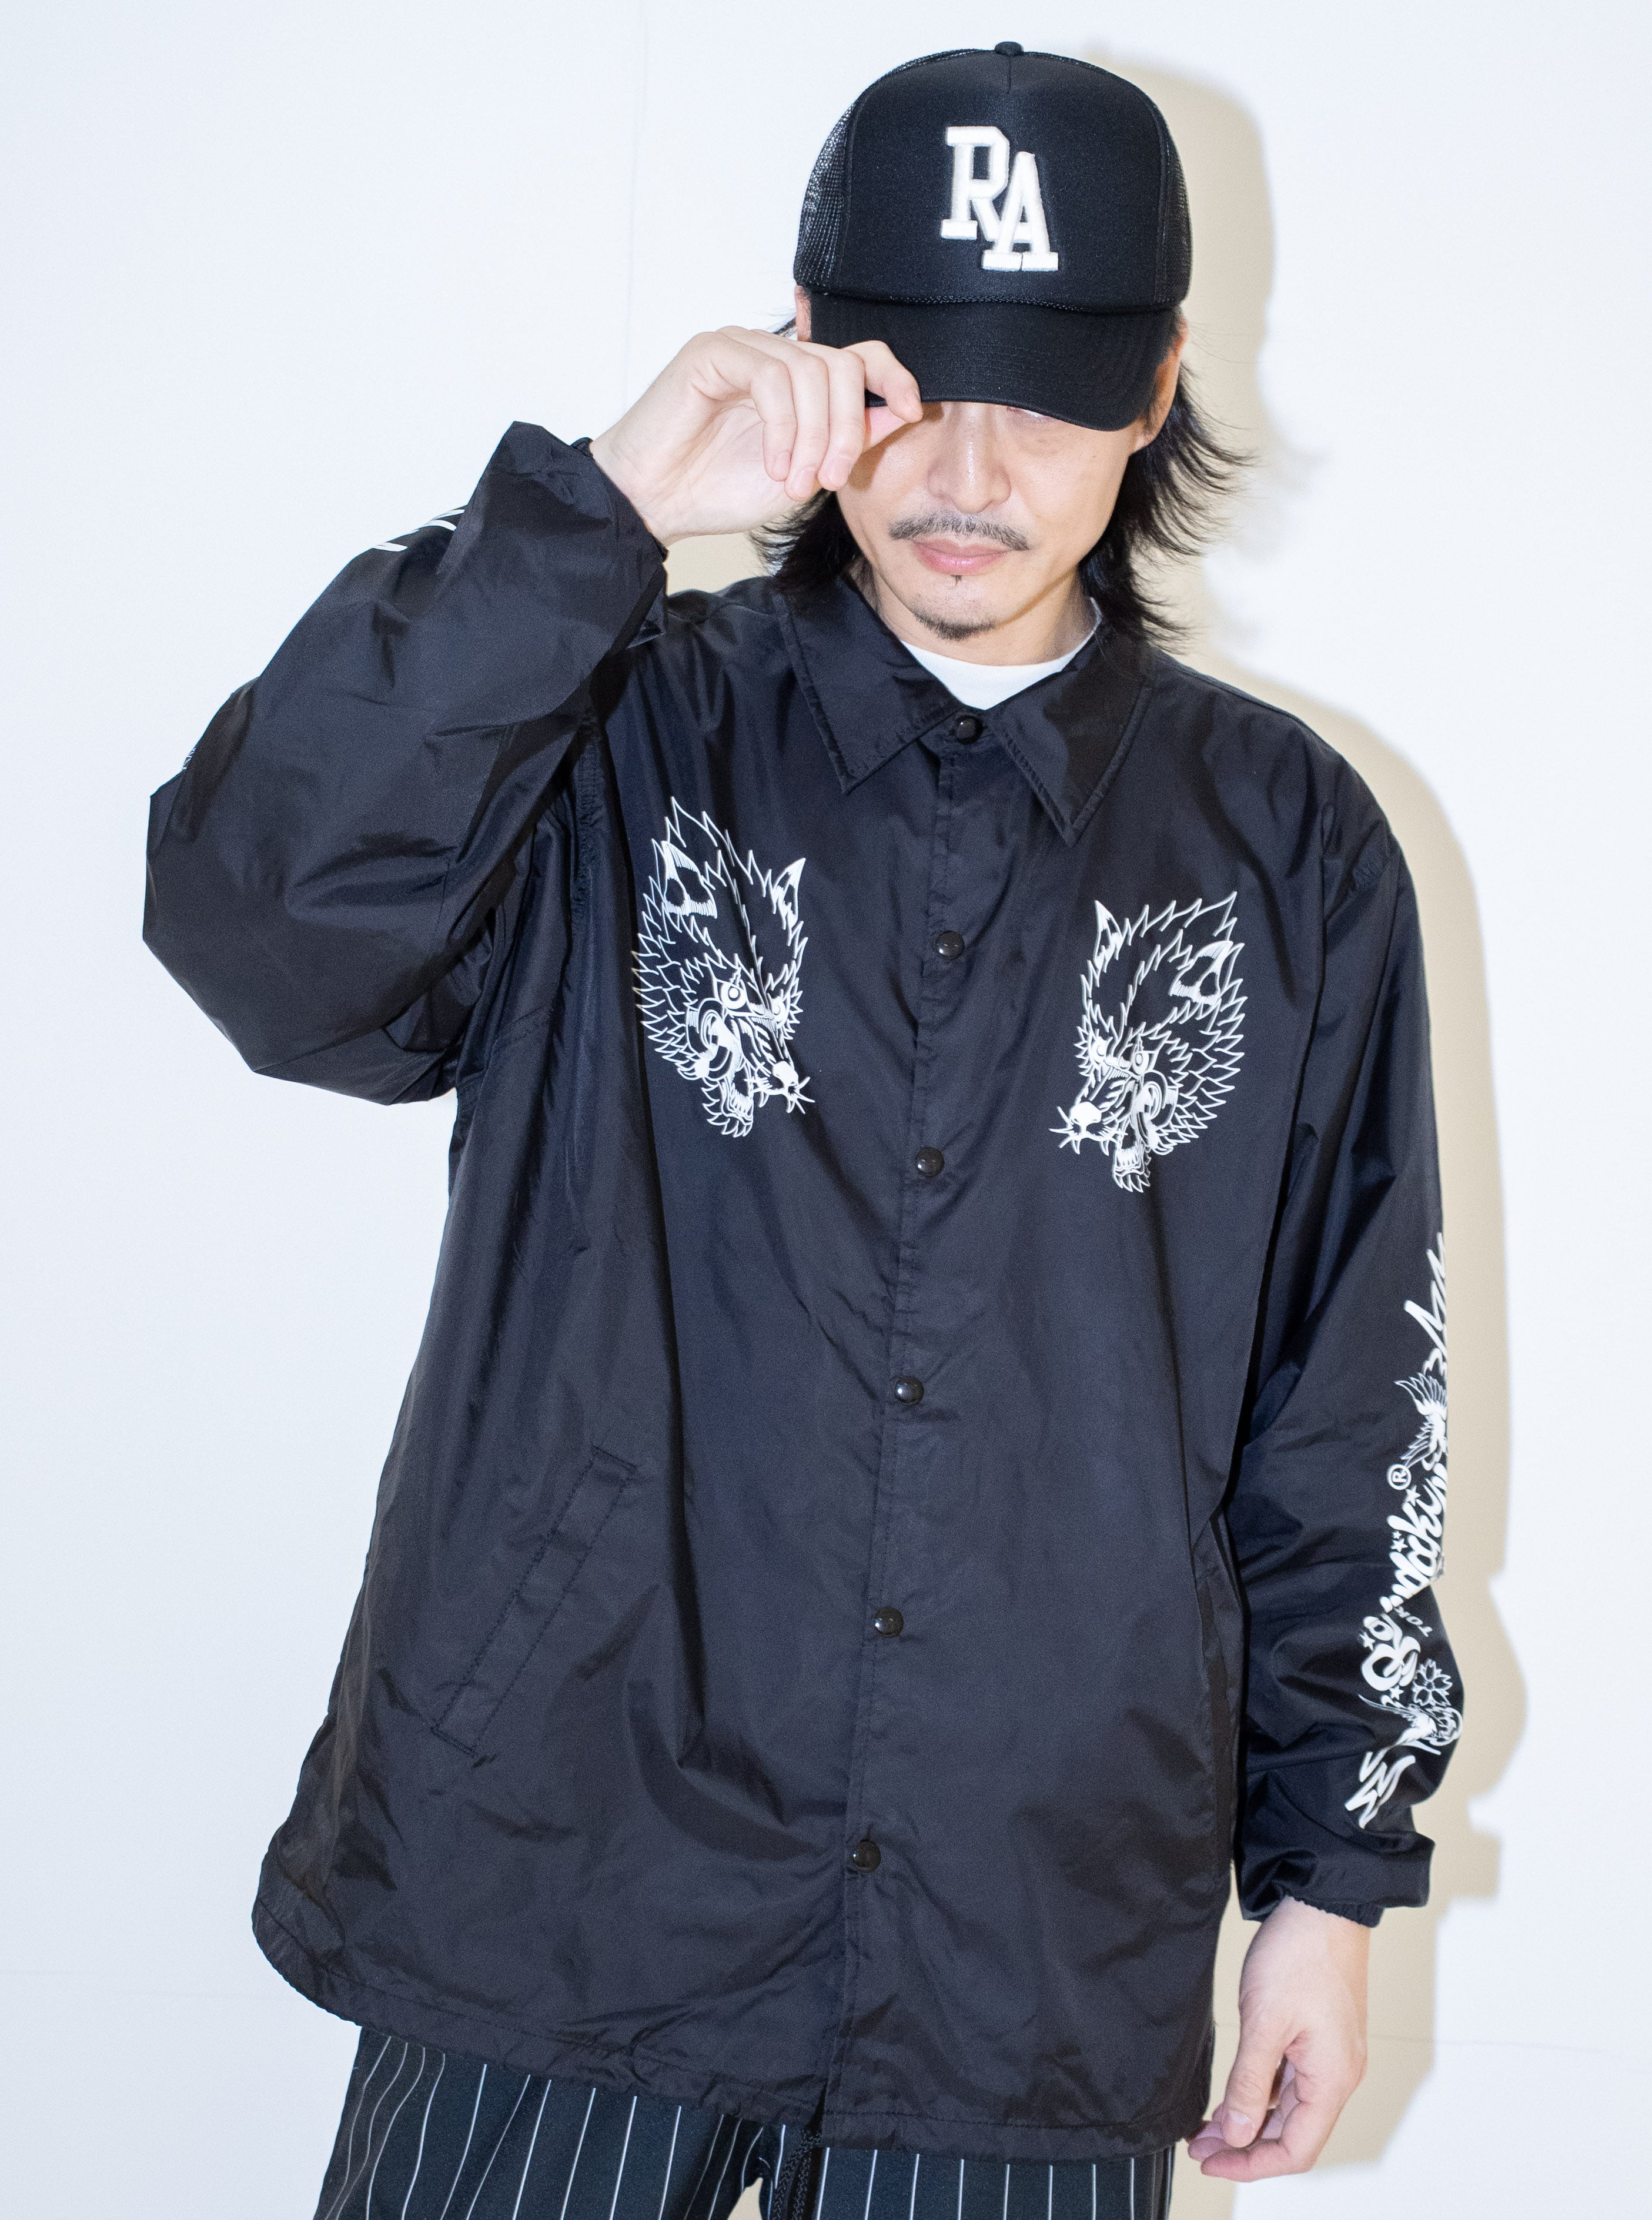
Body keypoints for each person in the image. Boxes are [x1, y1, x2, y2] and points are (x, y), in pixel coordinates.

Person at [144, 42, 1462, 2220]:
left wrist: (1329, 1881)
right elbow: (263, 931)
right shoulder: (605, 722)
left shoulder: (1290, 847)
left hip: (1026, 1941)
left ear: (1156, 391)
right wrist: (591, 511)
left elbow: (1348, 1397)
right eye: (907, 389)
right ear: (809, 359)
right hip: (560, 1875)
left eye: (1048, 398)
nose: (968, 470)